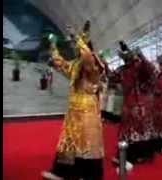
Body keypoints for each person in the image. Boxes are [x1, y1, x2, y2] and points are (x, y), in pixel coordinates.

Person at [42, 21, 106, 180]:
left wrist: (77, 38)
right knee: (68, 142)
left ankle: (87, 175)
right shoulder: (76, 65)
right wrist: (53, 46)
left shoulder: (94, 65)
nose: (74, 49)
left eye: (77, 47)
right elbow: (61, 64)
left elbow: (87, 57)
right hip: (73, 113)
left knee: (87, 143)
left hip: (88, 112)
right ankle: (62, 172)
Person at [108, 41, 156, 170]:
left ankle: (136, 156)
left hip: (141, 104)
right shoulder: (122, 70)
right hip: (128, 105)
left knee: (141, 131)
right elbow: (111, 77)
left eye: (129, 57)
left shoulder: (139, 66)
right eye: (125, 58)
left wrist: (142, 56)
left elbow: (151, 70)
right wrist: (103, 63)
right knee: (127, 132)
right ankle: (125, 156)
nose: (127, 60)